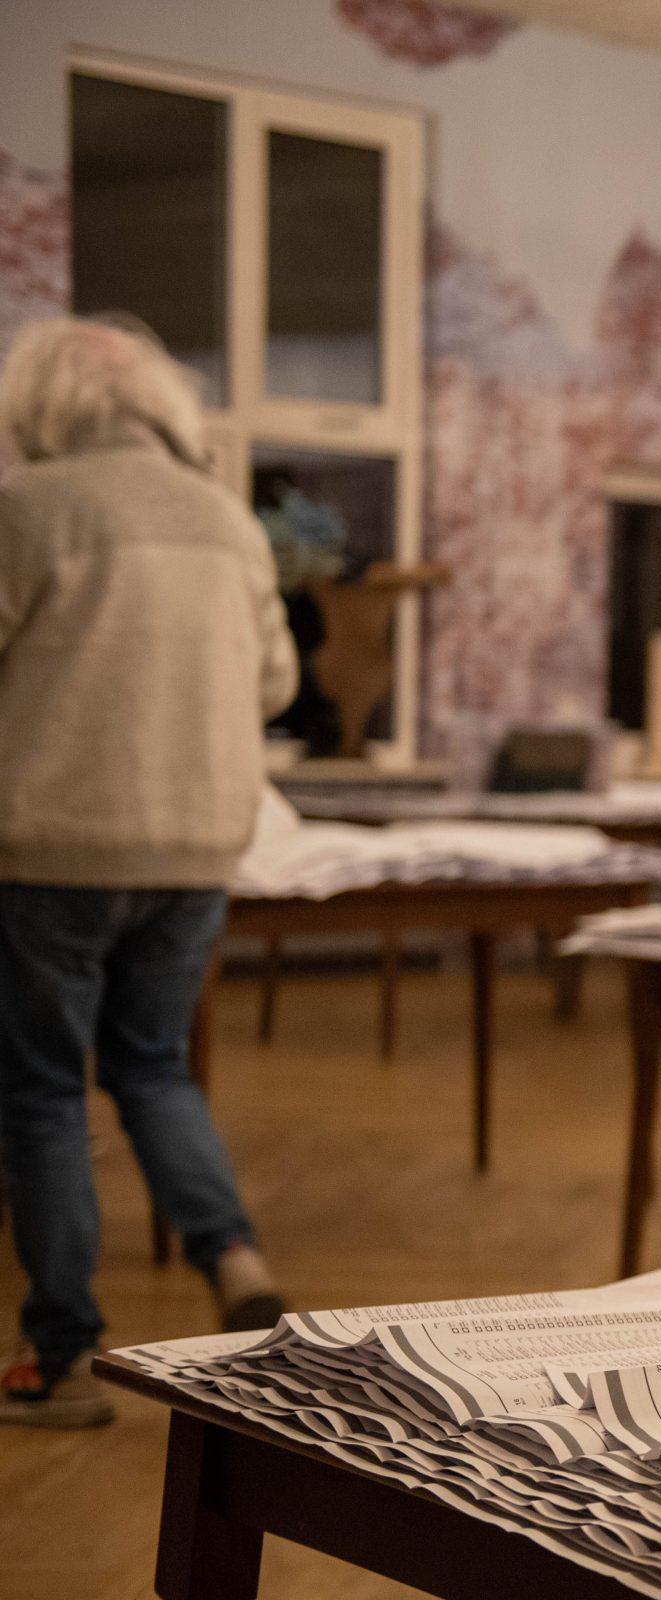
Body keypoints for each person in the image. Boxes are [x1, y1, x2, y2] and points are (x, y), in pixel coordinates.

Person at [0, 316, 300, 1427]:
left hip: (52, 850)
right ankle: (233, 1258)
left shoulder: (31, 507)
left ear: (43, 403)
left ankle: (62, 1355)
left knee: (42, 1091)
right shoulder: (229, 522)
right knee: (154, 1068)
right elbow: (274, 683)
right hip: (195, 850)